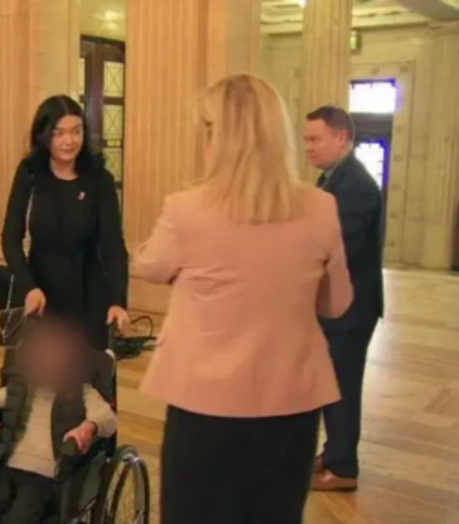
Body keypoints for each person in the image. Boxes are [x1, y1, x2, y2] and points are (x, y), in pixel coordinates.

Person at [131, 74, 353, 524]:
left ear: (217, 136)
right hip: (291, 403)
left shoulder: (187, 209)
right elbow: (337, 303)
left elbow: (148, 266)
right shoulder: (320, 206)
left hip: (204, 406)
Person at [0, 316, 117, 524]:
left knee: (18, 519)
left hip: (46, 477)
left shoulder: (81, 393)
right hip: (8, 469)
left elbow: (107, 417)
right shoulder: (20, 388)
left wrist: (88, 427)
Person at [1, 95, 129, 351]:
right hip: (42, 291)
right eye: (59, 133)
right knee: (40, 378)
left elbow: (113, 246)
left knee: (87, 380)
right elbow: (10, 238)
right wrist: (29, 287)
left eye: (76, 131)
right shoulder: (30, 172)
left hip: (90, 290)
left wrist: (118, 300)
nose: (69, 141)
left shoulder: (99, 179)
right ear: (44, 135)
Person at [304, 105, 385, 492]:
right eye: (305, 139)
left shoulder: (357, 186)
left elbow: (339, 248)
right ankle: (333, 451)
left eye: (315, 139)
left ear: (341, 137)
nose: (308, 147)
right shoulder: (332, 179)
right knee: (331, 382)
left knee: (342, 387)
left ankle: (343, 468)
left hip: (350, 309)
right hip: (336, 305)